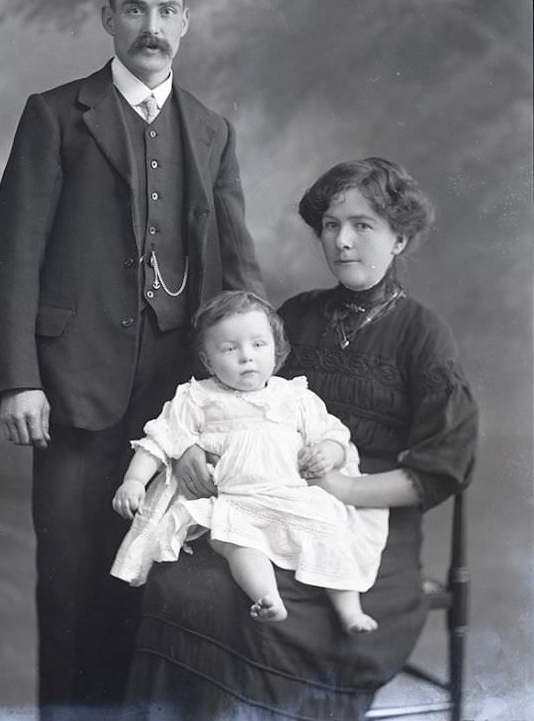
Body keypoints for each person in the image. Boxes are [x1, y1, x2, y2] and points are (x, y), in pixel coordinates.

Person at [0, 0, 263, 721]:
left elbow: (240, 273)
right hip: (72, 389)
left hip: (177, 401)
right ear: (109, 18)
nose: (151, 25)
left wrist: (246, 398)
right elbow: (14, 254)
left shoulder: (210, 130)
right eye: (134, 9)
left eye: (166, 10)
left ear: (184, 21)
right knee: (73, 583)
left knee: (160, 584)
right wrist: (18, 377)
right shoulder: (55, 114)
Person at [122, 157, 477, 721]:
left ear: (400, 238)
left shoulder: (423, 334)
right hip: (261, 499)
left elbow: (445, 466)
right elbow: (223, 401)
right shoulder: (295, 317)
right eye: (331, 225)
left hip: (366, 523)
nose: (342, 240)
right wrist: (187, 449)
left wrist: (340, 485)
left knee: (238, 601)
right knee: (186, 579)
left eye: (363, 225)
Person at [111, 291, 389, 632]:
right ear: (209, 360)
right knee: (236, 541)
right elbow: (160, 441)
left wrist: (330, 451)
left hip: (293, 493)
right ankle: (267, 597)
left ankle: (350, 611)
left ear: (277, 350)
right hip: (234, 500)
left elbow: (335, 435)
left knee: (331, 528)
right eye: (230, 349)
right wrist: (134, 481)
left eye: (259, 345)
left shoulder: (294, 397)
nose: (247, 358)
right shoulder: (197, 398)